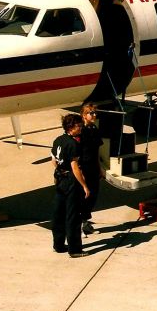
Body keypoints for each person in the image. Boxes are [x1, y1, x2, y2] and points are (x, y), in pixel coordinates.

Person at [51, 113, 90, 258]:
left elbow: (54, 160)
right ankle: (74, 249)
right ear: (70, 127)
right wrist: (84, 186)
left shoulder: (58, 140)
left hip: (60, 179)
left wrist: (59, 171)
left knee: (58, 214)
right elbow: (75, 168)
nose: (80, 128)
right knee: (73, 216)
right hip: (70, 181)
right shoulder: (73, 144)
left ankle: (58, 245)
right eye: (78, 126)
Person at [79, 102, 105, 236]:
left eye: (95, 113)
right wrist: (80, 173)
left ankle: (86, 223)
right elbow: (77, 154)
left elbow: (97, 151)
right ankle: (80, 224)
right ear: (84, 115)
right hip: (84, 167)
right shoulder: (80, 131)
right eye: (91, 113)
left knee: (93, 196)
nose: (94, 115)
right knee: (84, 196)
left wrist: (100, 168)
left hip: (93, 166)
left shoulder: (94, 128)